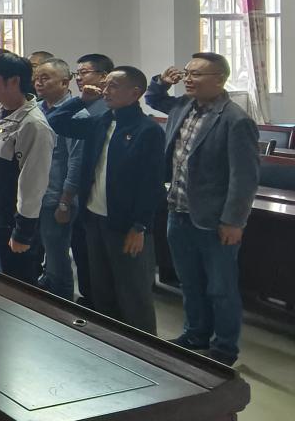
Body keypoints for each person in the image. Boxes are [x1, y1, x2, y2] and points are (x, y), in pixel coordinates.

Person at [146, 53, 259, 365]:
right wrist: (161, 82)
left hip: (214, 220)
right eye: (187, 73)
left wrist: (234, 221)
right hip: (178, 211)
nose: (188, 79)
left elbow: (244, 178)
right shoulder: (183, 106)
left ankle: (224, 348)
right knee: (189, 281)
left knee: (221, 288)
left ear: (219, 79)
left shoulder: (235, 120)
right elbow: (153, 99)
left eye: (196, 74)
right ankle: (195, 333)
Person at [47, 66, 165, 334]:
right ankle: (110, 343)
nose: (105, 90)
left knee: (133, 293)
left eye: (113, 86)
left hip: (126, 225)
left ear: (135, 93)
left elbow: (151, 184)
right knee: (102, 290)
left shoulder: (147, 130)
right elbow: (55, 121)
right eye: (105, 85)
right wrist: (81, 100)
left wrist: (140, 226)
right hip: (94, 218)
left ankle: (144, 349)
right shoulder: (101, 121)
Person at [0, 53, 54, 284]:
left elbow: (33, 184)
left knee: (16, 286)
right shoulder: (0, 109)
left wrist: (23, 232)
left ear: (14, 81)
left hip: (9, 222)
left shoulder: (33, 126)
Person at [33, 58, 84, 301]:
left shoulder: (77, 114)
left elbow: (76, 161)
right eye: (37, 78)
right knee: (41, 254)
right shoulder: (37, 108)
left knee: (57, 258)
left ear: (65, 82)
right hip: (36, 195)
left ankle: (63, 306)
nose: (38, 83)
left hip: (56, 197)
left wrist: (65, 201)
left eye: (45, 78)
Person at [70, 53, 114, 307]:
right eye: (77, 74)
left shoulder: (104, 111)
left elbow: (78, 158)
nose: (79, 78)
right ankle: (90, 300)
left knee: (101, 263)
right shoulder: (83, 106)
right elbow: (58, 122)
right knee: (83, 253)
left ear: (103, 76)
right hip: (84, 195)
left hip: (95, 195)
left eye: (84, 72)